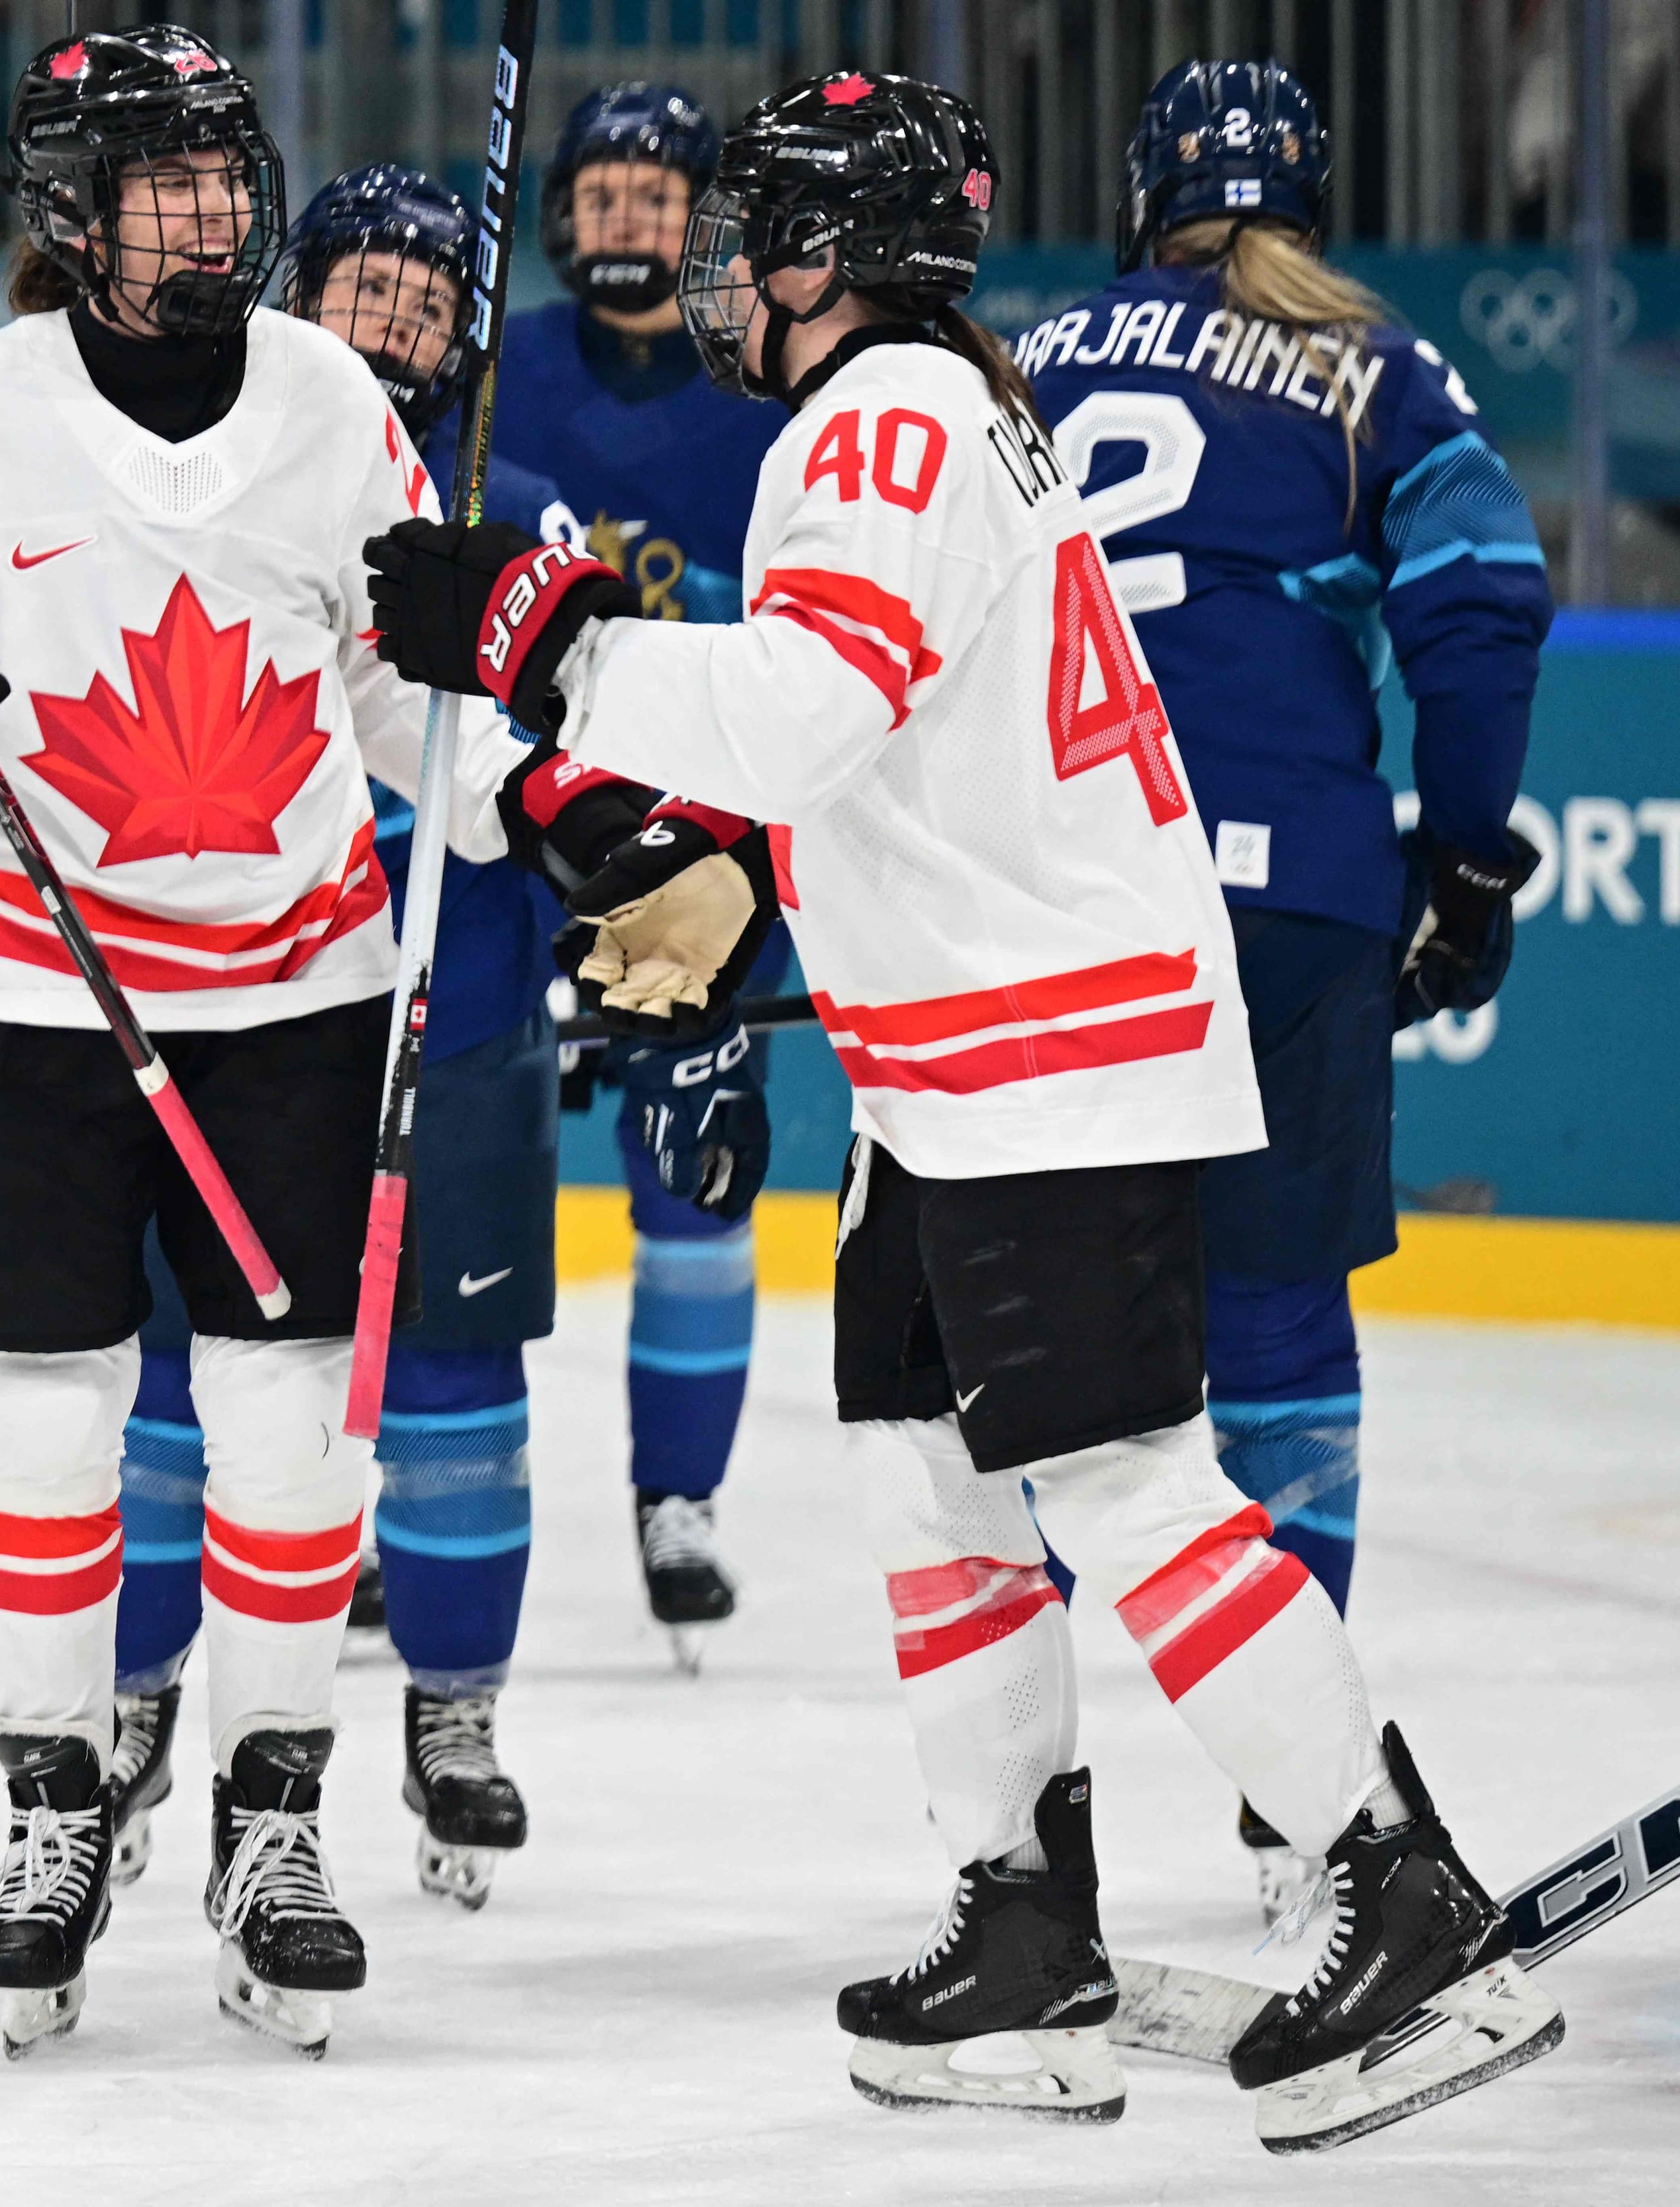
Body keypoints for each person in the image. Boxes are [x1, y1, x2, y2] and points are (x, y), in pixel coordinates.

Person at [360, 69, 1561, 2147]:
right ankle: (1025, 1922)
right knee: (933, 1475)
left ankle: (1398, 1883)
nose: (725, 265)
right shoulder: (910, 409)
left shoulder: (892, 416)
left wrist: (546, 639)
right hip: (951, 1063)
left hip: (1056, 1056)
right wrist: (577, 794)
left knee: (1121, 1481)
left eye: (757, 229)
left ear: (836, 255)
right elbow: (856, 762)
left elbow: (805, 706)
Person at [0, 28, 591, 2060]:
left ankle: (273, 1824)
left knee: (284, 1422)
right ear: (69, 212)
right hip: (18, 991)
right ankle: (53, 1810)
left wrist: (531, 726)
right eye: (164, 182)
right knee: (50, 1424)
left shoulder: (338, 412)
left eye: (229, 176)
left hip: (292, 995)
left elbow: (439, 731)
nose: (214, 214)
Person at [1018, 59, 1551, 1914]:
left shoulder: (1035, 358)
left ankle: (1020, 1825)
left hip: (1061, 907)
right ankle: (1301, 1812)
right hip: (1287, 898)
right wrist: (1469, 849)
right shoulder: (1370, 365)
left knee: (1037, 1365)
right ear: (1309, 201)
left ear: (1137, 197)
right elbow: (1485, 590)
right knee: (1282, 1354)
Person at [99, 164, 580, 1914]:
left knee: (454, 1397)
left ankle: (453, 1711)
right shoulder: (210, 491)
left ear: (466, 332)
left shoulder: (518, 510)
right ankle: (138, 1692)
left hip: (454, 1022)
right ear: (298, 300)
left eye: (424, 292)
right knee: (172, 1387)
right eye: (359, 283)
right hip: (236, 1007)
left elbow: (568, 760)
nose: (389, 315)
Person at [495, 81, 789, 1659]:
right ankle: (418, 1493)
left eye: (656, 196)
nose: (626, 221)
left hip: (705, 854)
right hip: (515, 838)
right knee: (463, 1189)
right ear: (560, 219)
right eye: (600, 196)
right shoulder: (502, 373)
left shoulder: (766, 392)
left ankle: (681, 1500)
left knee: (695, 1192)